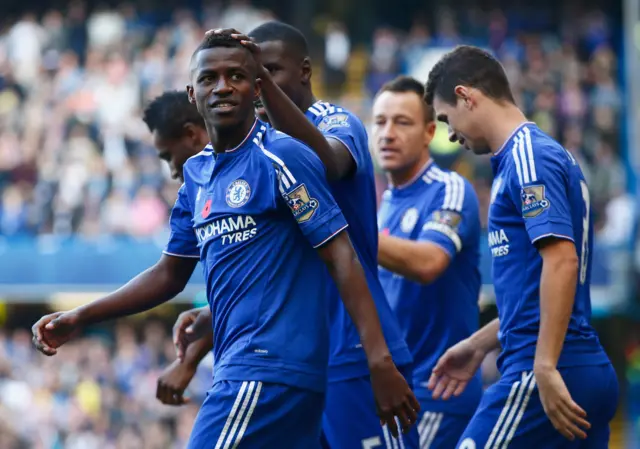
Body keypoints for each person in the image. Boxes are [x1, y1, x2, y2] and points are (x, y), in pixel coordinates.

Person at [32, 33, 415, 448]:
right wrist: (82, 316)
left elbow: (341, 255)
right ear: (192, 94)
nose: (223, 86)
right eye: (209, 78)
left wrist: (379, 361)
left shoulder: (283, 156)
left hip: (266, 369)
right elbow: (169, 274)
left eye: (237, 76)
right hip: (252, 369)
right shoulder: (197, 176)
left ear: (257, 89)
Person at [174, 22, 420, 446]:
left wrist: (378, 360)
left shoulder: (334, 123)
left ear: (303, 71)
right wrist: (215, 321)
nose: (256, 85)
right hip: (302, 357)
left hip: (356, 349)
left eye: (267, 72)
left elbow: (327, 161)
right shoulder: (252, 151)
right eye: (251, 75)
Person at [425, 45, 618, 448]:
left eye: (446, 119)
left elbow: (562, 261)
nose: (451, 134)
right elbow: (536, 293)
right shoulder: (530, 158)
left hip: (544, 369)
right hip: (573, 363)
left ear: (466, 96)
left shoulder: (528, 156)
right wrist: (479, 344)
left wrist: (544, 365)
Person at [372, 75, 483, 448]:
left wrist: (345, 232)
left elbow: (429, 262)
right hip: (396, 393)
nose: (387, 133)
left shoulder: (448, 189)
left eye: (402, 122)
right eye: (380, 122)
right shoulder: (384, 203)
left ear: (428, 132)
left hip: (437, 392)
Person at [141, 91, 213, 405]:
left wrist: (189, 361)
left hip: (264, 363)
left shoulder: (266, 163)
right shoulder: (193, 193)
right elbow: (168, 274)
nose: (172, 170)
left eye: (169, 156)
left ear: (192, 134)